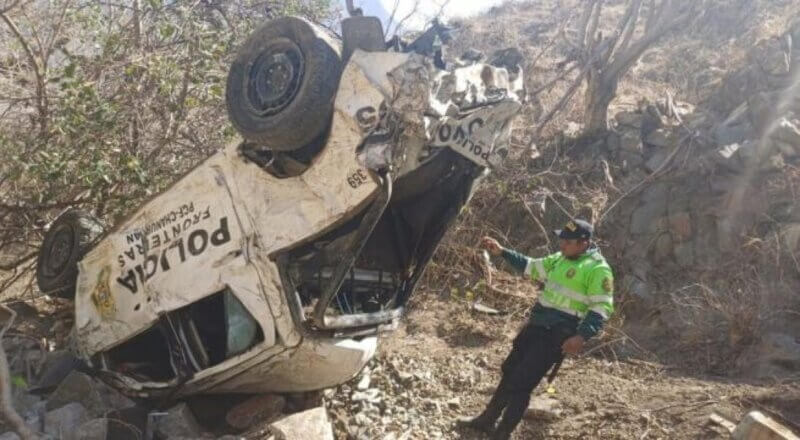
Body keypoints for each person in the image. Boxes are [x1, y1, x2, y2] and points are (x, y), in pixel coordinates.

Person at [456, 219, 615, 440]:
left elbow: (601, 308)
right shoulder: (560, 258)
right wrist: (502, 252)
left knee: (523, 383)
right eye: (562, 240)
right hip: (536, 325)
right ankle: (486, 420)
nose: (562, 245)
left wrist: (582, 336)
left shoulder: (598, 270)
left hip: (556, 334)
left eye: (568, 242)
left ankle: (503, 433)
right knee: (510, 370)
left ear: (584, 243)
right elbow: (530, 266)